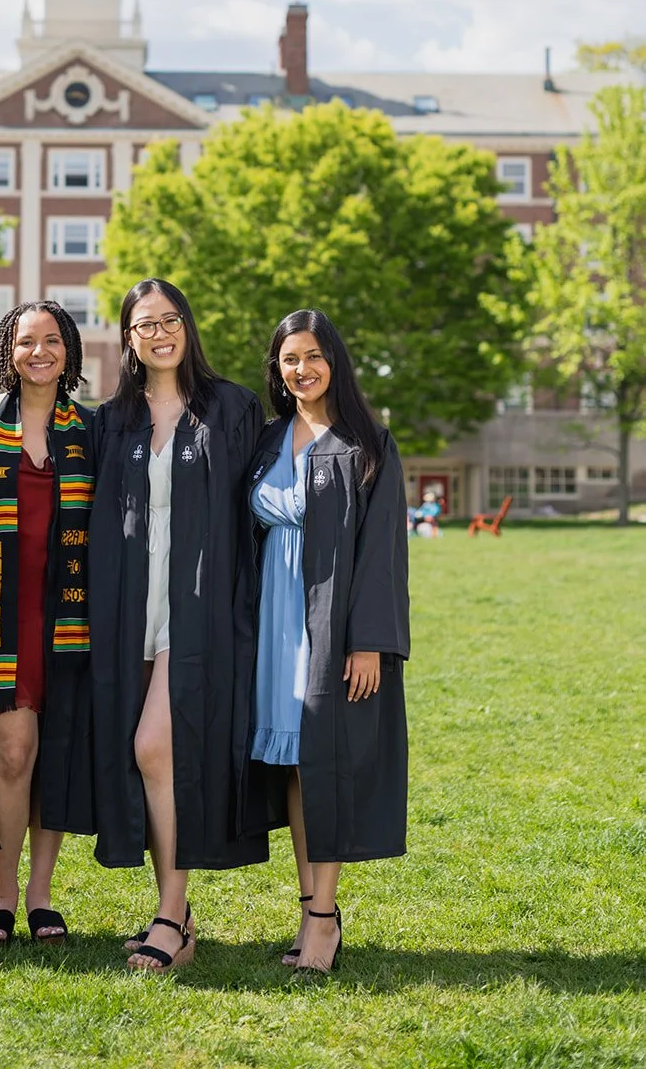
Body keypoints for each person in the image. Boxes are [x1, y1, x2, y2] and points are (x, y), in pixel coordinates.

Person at [90, 278, 267, 973]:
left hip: (198, 602)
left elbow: (255, 509)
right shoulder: (114, 418)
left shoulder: (230, 407)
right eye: (143, 325)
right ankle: (177, 913)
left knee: (154, 746)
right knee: (148, 757)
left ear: (187, 327)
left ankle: (171, 914)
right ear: (129, 340)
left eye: (169, 320)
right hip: (129, 600)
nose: (158, 333)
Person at [249, 309, 410, 974]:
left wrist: (366, 640)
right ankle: (309, 900)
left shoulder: (367, 443)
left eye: (313, 356)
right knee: (292, 760)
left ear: (334, 362)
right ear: (276, 370)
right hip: (269, 621)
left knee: (326, 758)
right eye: (289, 359)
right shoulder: (262, 440)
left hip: (331, 621)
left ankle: (322, 916)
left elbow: (382, 553)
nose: (302, 370)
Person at [0, 301, 95, 950]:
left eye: (51, 341)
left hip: (67, 617)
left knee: (54, 758)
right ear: (6, 352)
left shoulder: (88, 433)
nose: (38, 352)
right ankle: (3, 894)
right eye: (24, 342)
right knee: (11, 754)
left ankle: (41, 895)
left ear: (69, 350)